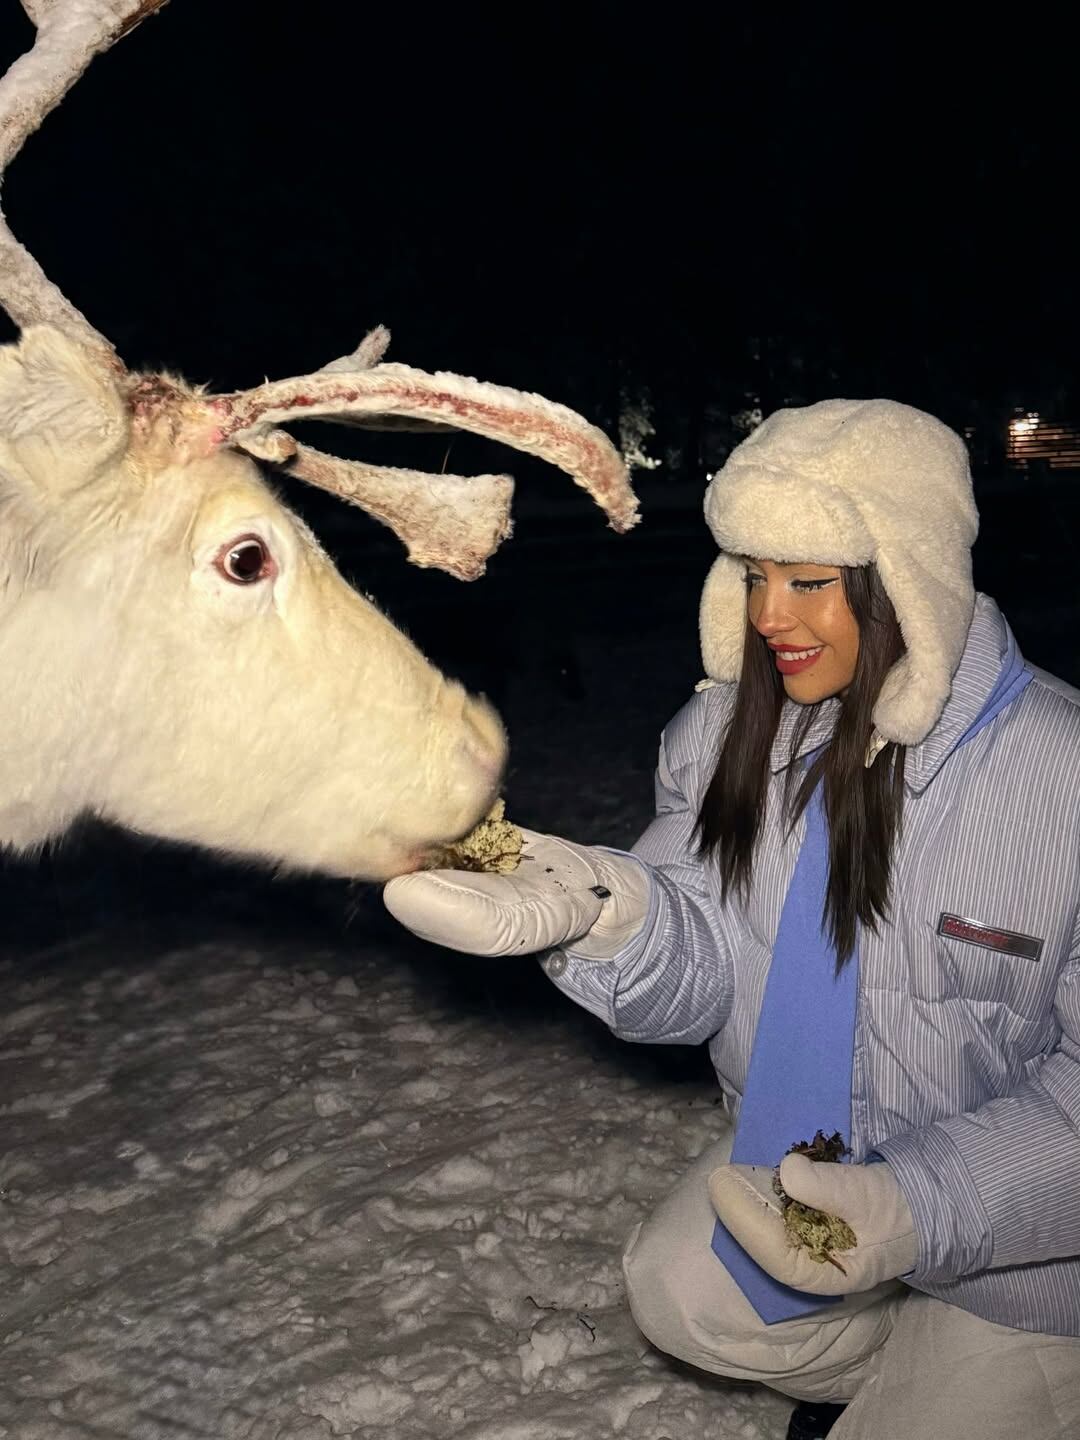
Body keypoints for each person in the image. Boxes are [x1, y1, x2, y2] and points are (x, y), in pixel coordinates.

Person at [384, 399, 1080, 1440]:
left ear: (910, 578)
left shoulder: (1058, 773)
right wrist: (603, 916)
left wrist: (915, 1208)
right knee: (681, 1291)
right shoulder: (723, 738)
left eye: (807, 581)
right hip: (816, 1161)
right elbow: (702, 952)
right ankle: (909, 1360)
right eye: (753, 574)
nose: (767, 615)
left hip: (1037, 1254)